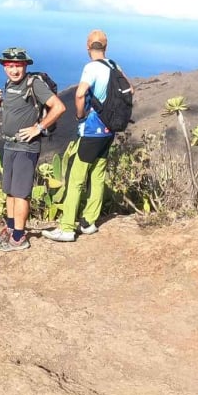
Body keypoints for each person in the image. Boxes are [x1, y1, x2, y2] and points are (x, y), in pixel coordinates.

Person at [47, 29, 127, 242]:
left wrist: (80, 114)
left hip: (92, 130)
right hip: (110, 130)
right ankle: (89, 222)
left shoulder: (91, 67)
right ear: (106, 46)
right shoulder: (114, 65)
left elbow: (80, 92)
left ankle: (66, 228)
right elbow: (131, 90)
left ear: (87, 46)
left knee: (76, 177)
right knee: (98, 175)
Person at [0, 47, 65, 252]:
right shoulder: (9, 84)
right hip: (10, 144)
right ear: (5, 67)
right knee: (10, 192)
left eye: (18, 66)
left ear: (25, 66)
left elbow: (58, 107)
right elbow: (14, 112)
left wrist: (38, 128)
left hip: (26, 147)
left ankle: (19, 237)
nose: (14, 70)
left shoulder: (35, 84)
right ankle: (11, 227)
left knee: (21, 193)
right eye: (10, 66)